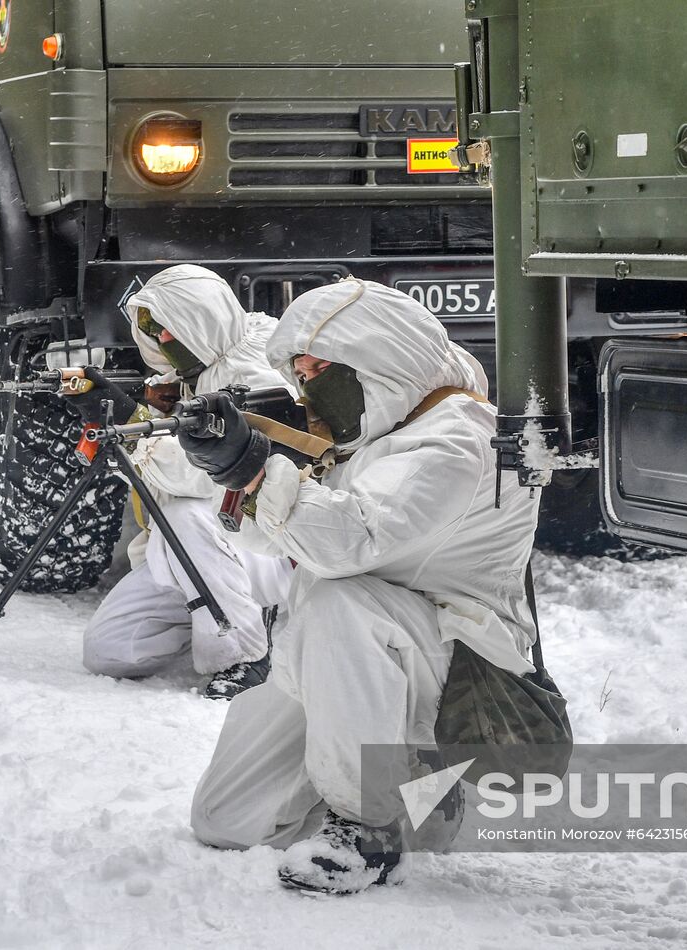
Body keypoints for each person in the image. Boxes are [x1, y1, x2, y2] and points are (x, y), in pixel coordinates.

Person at [180, 278, 541, 894]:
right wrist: (244, 462)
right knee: (226, 819)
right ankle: (401, 789)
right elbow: (277, 539)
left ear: (377, 354)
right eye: (300, 372)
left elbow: (349, 541)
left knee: (338, 603)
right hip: (354, 659)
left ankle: (368, 827)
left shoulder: (459, 440)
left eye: (319, 366)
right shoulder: (382, 426)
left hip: (460, 674)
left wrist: (257, 466)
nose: (309, 384)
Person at [81, 265, 294, 699]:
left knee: (184, 515)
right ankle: (221, 610)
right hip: (199, 555)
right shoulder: (193, 371)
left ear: (201, 323)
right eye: (153, 332)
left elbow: (205, 479)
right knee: (110, 650)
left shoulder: (254, 373)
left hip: (265, 541)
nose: (161, 342)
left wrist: (134, 424)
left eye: (167, 331)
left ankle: (245, 654)